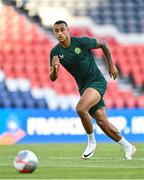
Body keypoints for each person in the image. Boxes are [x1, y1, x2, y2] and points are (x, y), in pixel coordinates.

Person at [49, 20, 136, 160]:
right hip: (84, 88)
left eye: (62, 29)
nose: (59, 33)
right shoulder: (55, 52)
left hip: (97, 82)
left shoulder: (81, 42)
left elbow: (103, 44)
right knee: (102, 122)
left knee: (80, 109)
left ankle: (91, 142)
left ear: (68, 30)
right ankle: (128, 147)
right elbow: (53, 78)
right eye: (56, 30)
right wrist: (54, 69)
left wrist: (111, 65)